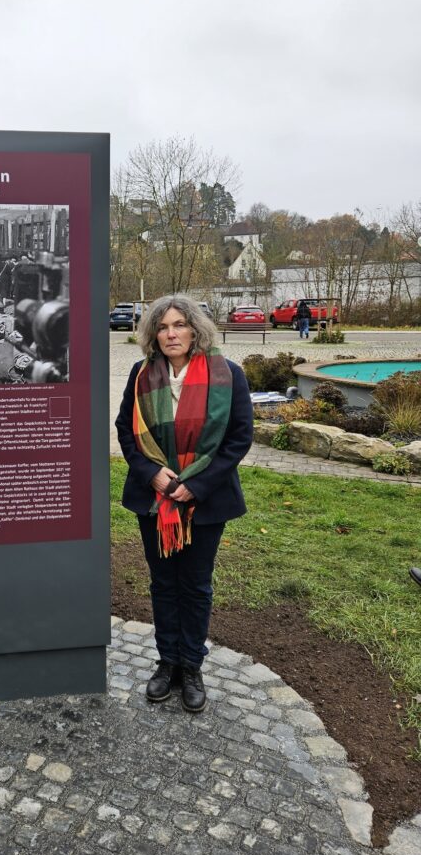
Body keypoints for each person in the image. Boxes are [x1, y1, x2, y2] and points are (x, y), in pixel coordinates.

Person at [116, 294, 254, 713]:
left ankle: (192, 666)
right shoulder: (142, 375)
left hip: (205, 501)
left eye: (179, 325)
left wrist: (197, 485)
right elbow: (125, 430)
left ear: (195, 329)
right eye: (162, 327)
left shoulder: (227, 374)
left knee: (194, 585)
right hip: (154, 499)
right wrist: (151, 473)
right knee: (162, 583)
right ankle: (168, 662)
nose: (171, 333)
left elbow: (239, 436)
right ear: (152, 334)